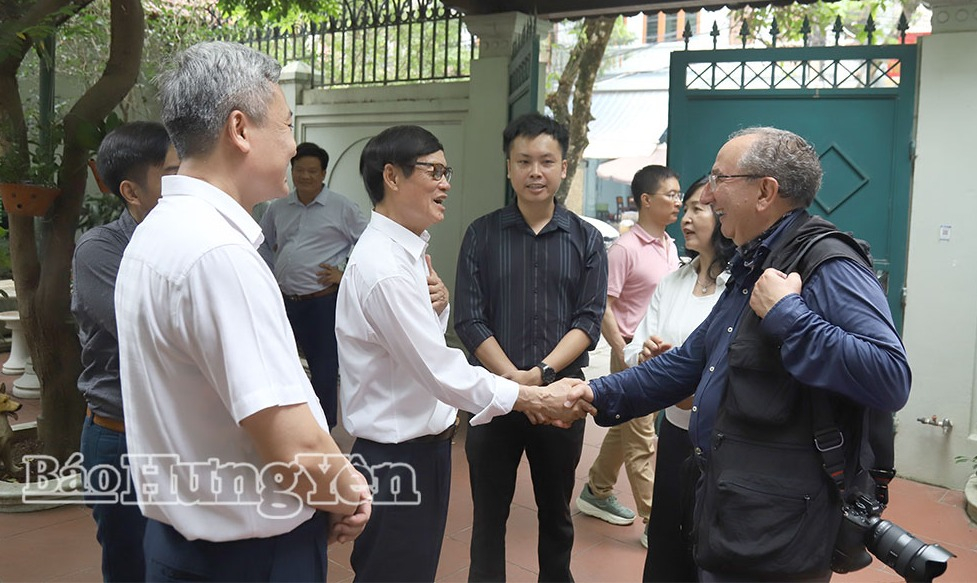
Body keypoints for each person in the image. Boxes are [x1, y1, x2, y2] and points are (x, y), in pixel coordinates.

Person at [569, 127, 911, 581]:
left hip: (779, 530)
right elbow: (689, 361)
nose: (709, 195)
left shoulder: (827, 263)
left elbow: (890, 375)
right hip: (732, 503)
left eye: (719, 179)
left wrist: (788, 315)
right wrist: (593, 394)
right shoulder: (754, 263)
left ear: (765, 192)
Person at [115, 41, 371, 581]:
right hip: (248, 558)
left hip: (180, 544)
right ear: (239, 129)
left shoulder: (156, 233)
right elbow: (293, 445)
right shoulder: (220, 254)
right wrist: (348, 494)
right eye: (286, 124)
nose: (293, 144)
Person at [336, 124, 589, 583]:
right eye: (433, 171)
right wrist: (532, 396)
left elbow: (415, 350)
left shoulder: (408, 254)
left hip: (422, 447)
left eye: (446, 172)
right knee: (393, 571)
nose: (445, 184)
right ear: (392, 177)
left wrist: (438, 306)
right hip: (398, 454)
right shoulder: (386, 267)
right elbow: (439, 368)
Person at [454, 112, 608, 582]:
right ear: (508, 168)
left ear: (564, 167)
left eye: (546, 161)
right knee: (488, 517)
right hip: (493, 398)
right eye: (523, 161)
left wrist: (539, 375)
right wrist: (513, 381)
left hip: (561, 397)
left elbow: (588, 320)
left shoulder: (587, 239)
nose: (534, 172)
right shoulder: (481, 234)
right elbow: (469, 318)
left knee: (556, 513)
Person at [73, 121, 179, 582]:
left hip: (178, 436)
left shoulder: (188, 239)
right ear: (131, 192)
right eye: (171, 174)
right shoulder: (100, 250)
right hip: (121, 439)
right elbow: (157, 334)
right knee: (131, 564)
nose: (186, 184)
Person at [621, 176, 735, 581]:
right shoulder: (673, 282)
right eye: (684, 208)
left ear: (723, 216)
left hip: (722, 442)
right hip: (674, 433)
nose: (685, 218)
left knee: (710, 547)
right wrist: (646, 355)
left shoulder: (738, 288)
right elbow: (634, 348)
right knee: (667, 539)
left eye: (697, 209)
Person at [577, 165, 681, 539]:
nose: (678, 202)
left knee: (628, 426)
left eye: (679, 194)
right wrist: (622, 351)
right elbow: (603, 305)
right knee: (642, 440)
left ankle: (596, 490)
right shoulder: (625, 249)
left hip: (661, 355)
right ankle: (657, 524)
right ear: (646, 200)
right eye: (671, 194)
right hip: (633, 357)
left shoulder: (670, 245)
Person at [259, 141, 368, 428]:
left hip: (322, 302)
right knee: (279, 364)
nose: (305, 176)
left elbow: (369, 244)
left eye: (312, 171)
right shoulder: (278, 207)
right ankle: (285, 426)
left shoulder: (341, 207)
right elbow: (264, 243)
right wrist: (268, 275)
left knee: (323, 369)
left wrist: (344, 273)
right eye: (299, 170)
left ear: (323, 173)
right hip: (284, 301)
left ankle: (324, 429)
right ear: (292, 170)